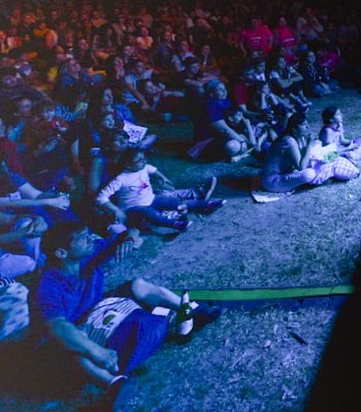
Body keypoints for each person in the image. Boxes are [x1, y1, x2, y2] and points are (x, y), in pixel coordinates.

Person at [33, 223, 223, 407]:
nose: (91, 238)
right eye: (83, 238)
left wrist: (130, 239)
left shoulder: (87, 254)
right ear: (61, 253)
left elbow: (129, 230)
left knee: (138, 284)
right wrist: (96, 351)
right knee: (70, 343)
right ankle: (114, 383)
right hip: (79, 325)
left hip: (102, 304)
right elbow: (58, 326)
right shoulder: (47, 287)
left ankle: (195, 312)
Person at [95, 148, 222, 235]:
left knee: (176, 202)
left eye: (144, 158)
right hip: (133, 208)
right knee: (151, 214)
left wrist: (162, 177)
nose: (144, 161)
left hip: (151, 199)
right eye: (139, 160)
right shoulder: (121, 179)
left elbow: (152, 169)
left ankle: (206, 205)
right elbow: (101, 197)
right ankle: (176, 225)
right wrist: (115, 210)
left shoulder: (143, 168)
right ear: (128, 165)